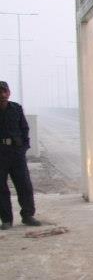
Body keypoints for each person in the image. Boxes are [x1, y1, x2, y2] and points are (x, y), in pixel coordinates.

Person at [0, 81, 41, 230]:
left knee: (24, 185)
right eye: (0, 92)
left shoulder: (16, 108)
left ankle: (28, 215)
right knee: (1, 188)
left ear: (9, 93)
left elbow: (24, 129)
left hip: (16, 153)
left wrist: (24, 148)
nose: (2, 95)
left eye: (5, 91)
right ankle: (6, 220)